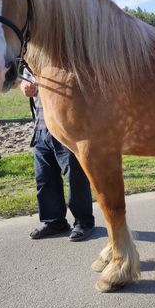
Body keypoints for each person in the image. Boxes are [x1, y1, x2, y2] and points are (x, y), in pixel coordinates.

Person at [20, 71, 95, 241]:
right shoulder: (30, 58)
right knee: (44, 178)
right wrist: (24, 86)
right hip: (40, 127)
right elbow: (24, 79)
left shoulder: (59, 55)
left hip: (65, 129)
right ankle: (54, 222)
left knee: (75, 176)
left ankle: (84, 222)